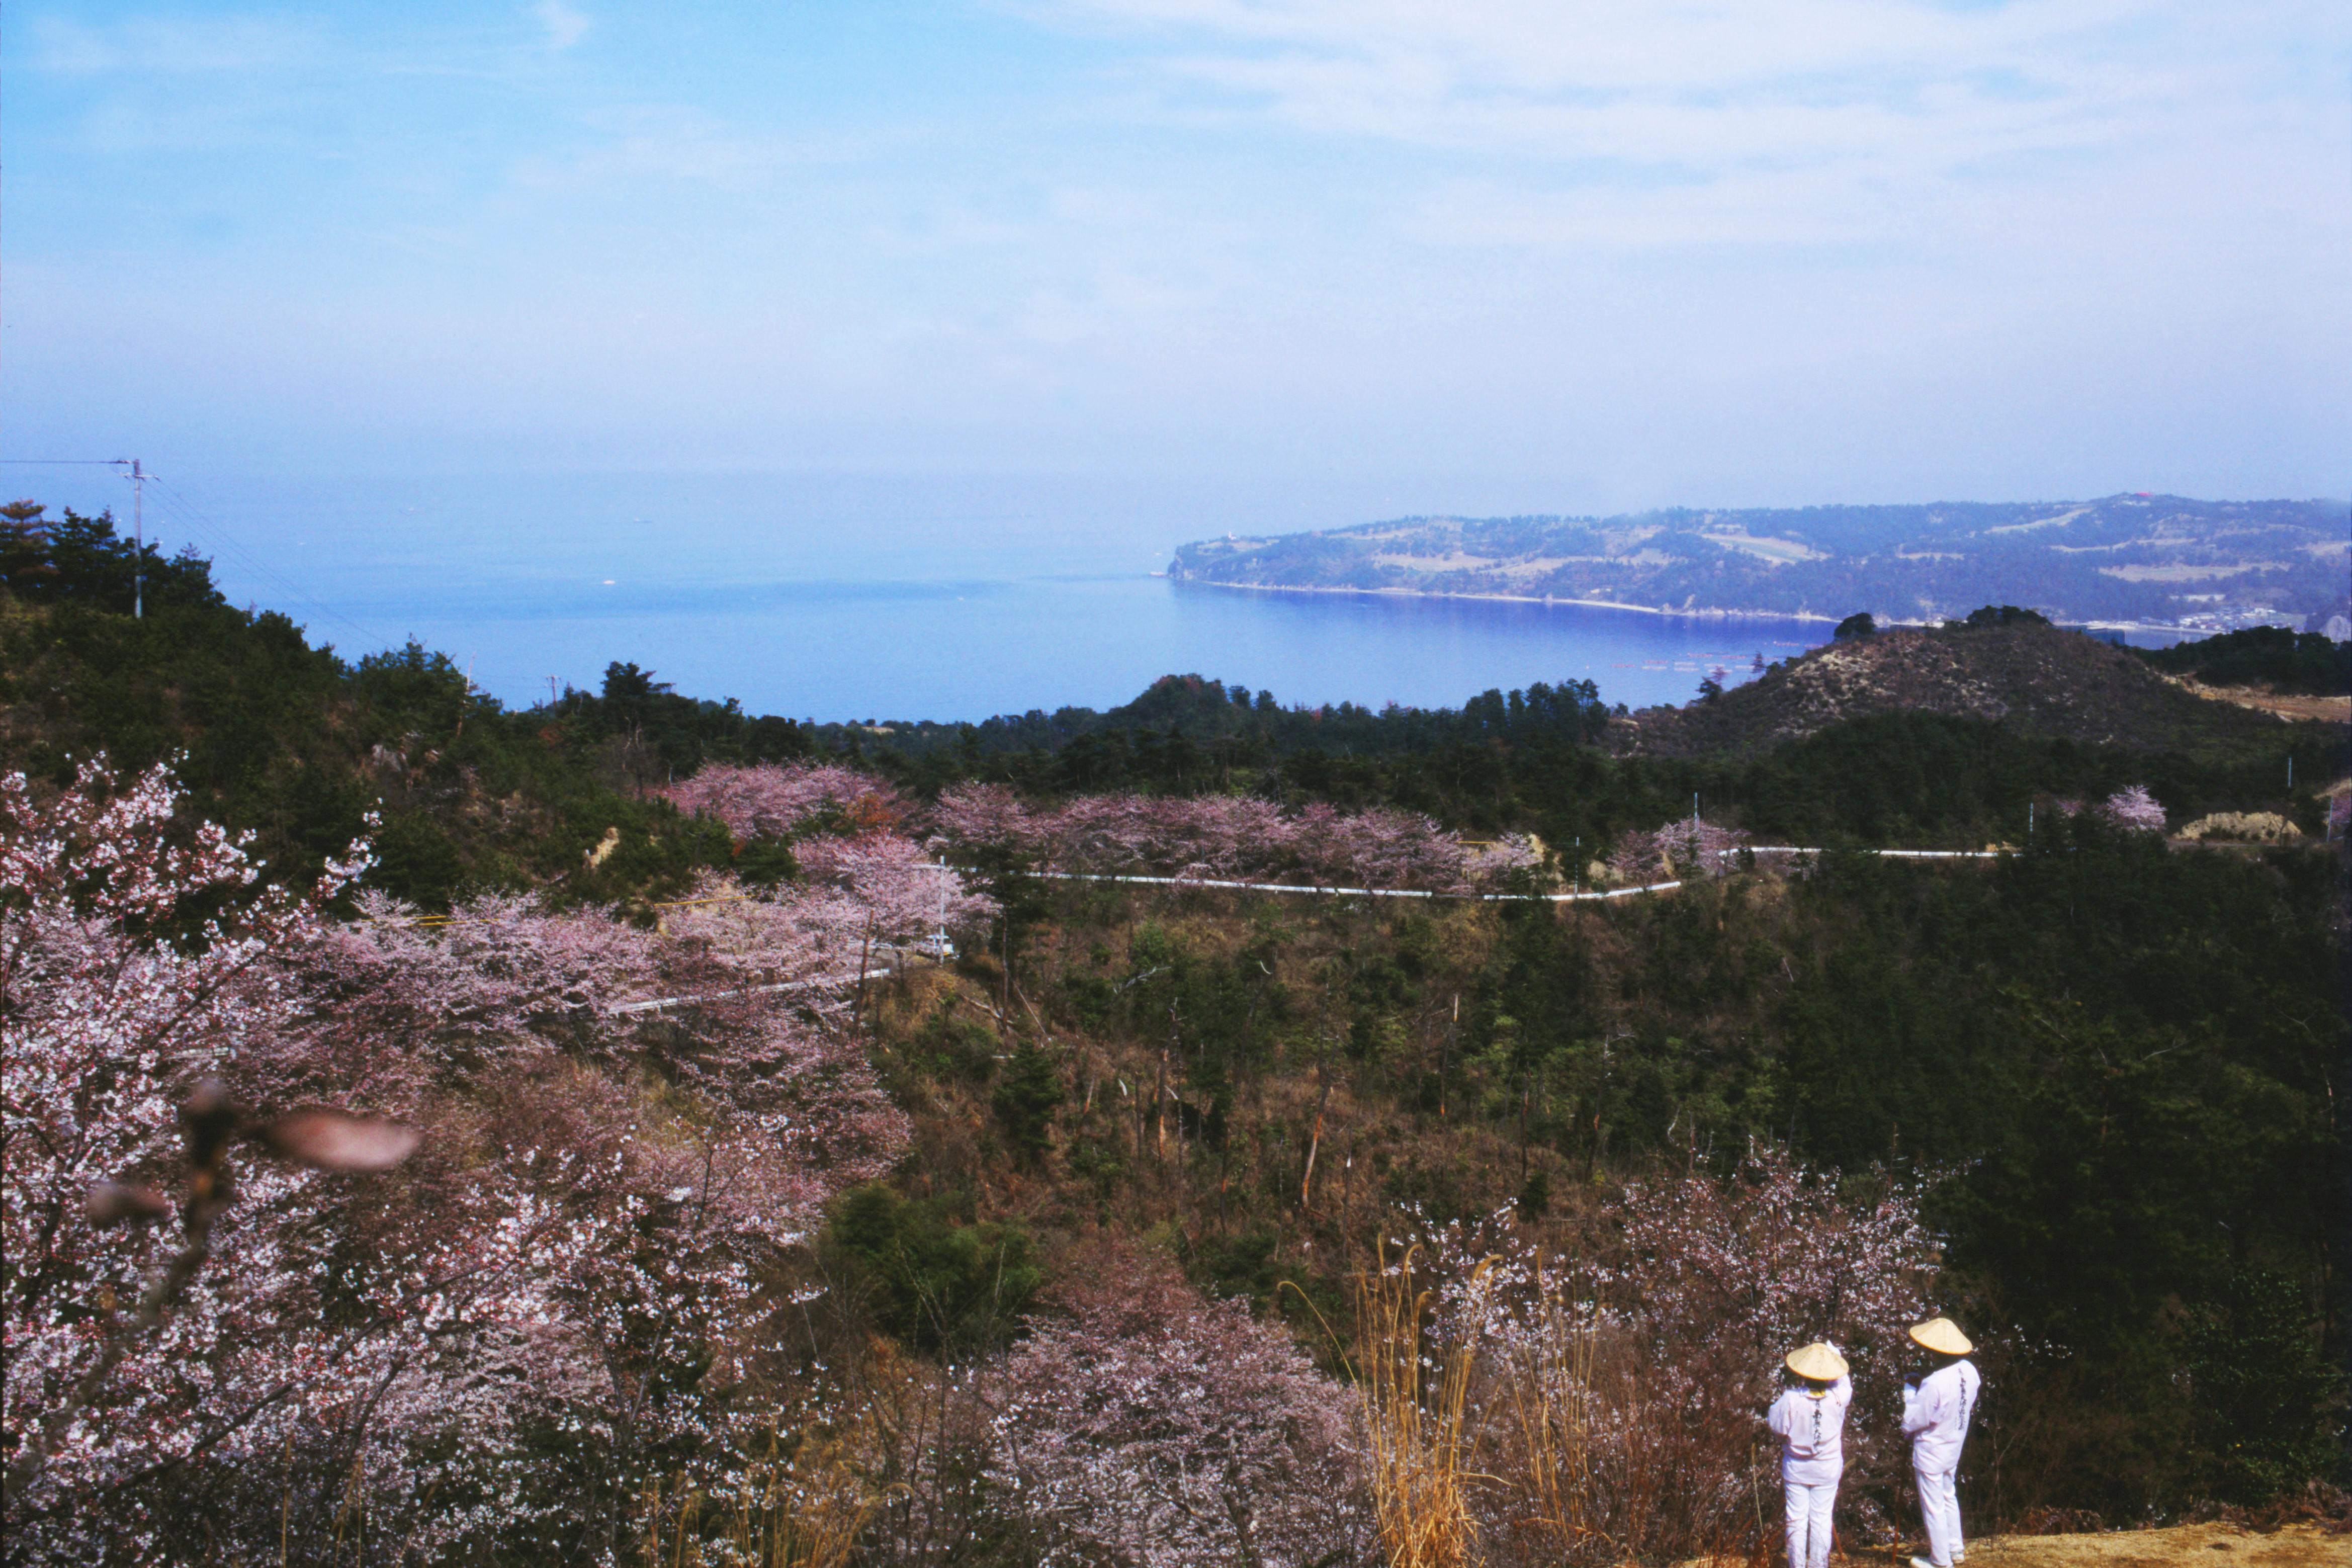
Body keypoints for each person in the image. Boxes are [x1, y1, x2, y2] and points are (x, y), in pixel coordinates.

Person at [1903, 1317, 1980, 1568]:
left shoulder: (1934, 1383)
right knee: (1949, 1495)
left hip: (1932, 1449)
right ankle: (1955, 1548)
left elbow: (1912, 1421)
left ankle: (1940, 1561)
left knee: (1933, 1505)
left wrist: (1910, 1393)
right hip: (1954, 1443)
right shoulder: (1970, 1371)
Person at [1767, 1341, 1852, 1568]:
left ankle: (1796, 1565)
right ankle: (1818, 1565)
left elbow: (1777, 1427)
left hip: (1797, 1466)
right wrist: (1835, 1354)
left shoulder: (1791, 1398)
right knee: (1822, 1518)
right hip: (1827, 1466)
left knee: (1796, 1518)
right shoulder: (1838, 1397)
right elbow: (1845, 1381)